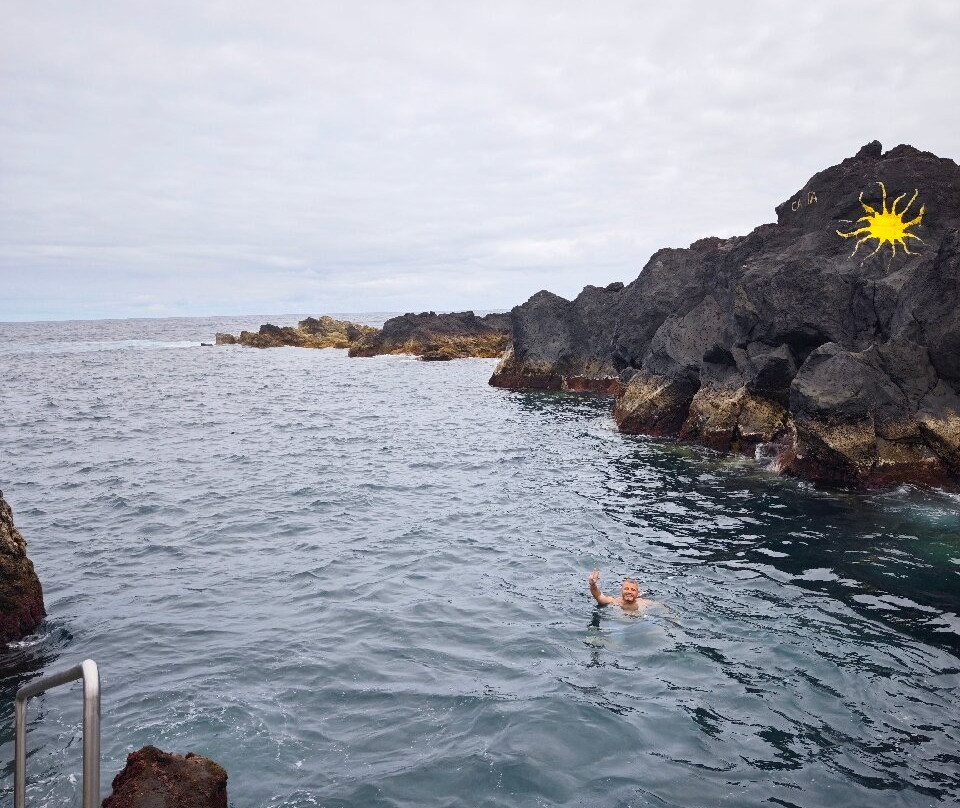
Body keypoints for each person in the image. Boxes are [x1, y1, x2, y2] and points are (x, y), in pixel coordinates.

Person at [588, 569, 657, 612]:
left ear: (637, 593)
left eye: (633, 590)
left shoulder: (644, 603)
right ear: (621, 590)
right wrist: (592, 584)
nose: (629, 592)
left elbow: (663, 609)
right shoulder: (614, 602)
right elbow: (599, 596)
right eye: (626, 589)